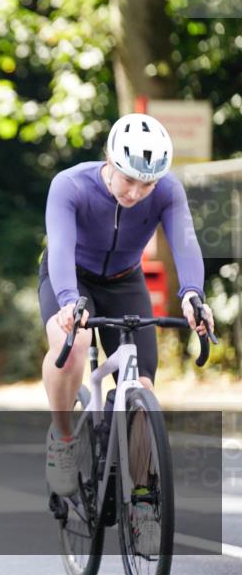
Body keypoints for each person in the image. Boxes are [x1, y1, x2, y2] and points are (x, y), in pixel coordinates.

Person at [39, 112, 214, 552]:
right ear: (110, 163)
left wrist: (194, 297)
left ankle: (141, 500)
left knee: (142, 387)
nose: (136, 192)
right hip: (70, 278)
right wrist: (67, 303)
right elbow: (59, 247)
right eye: (129, 179)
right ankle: (62, 439)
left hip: (124, 280)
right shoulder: (71, 185)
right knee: (73, 343)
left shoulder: (167, 191)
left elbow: (186, 243)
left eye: (148, 184)